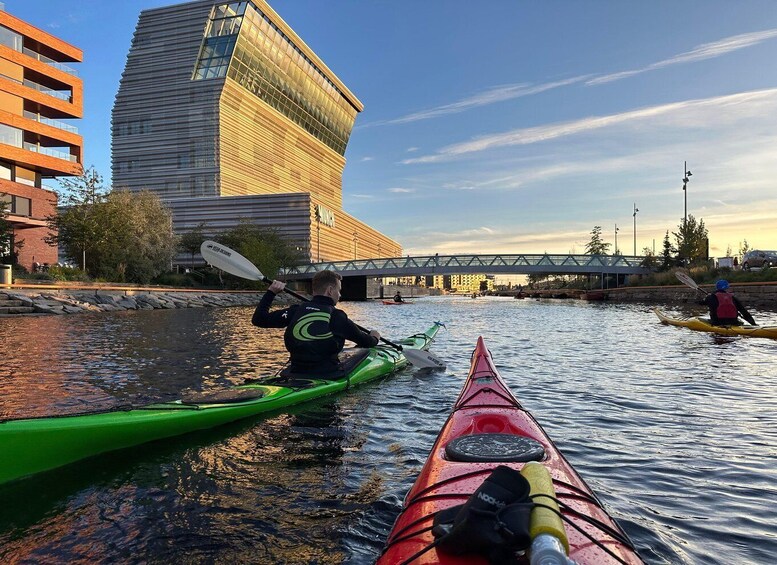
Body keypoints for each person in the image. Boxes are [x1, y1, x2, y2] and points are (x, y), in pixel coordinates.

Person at [252, 270, 380, 375]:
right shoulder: (337, 316)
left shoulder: (296, 311)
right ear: (330, 291)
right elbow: (365, 342)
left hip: (295, 372)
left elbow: (259, 319)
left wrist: (271, 292)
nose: (339, 295)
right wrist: (375, 336)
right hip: (328, 374)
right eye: (338, 290)